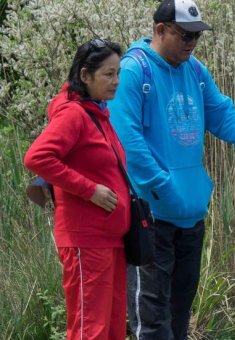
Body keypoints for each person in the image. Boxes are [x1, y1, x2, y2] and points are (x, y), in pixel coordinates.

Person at [108, 0, 235, 339]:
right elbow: (127, 142)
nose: (192, 43)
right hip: (151, 213)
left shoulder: (195, 70)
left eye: (197, 36)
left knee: (180, 312)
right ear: (160, 31)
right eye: (185, 35)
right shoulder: (134, 71)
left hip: (191, 213)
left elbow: (220, 111)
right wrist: (163, 187)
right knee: (151, 316)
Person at [24, 38, 130, 340]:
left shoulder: (98, 113)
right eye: (108, 74)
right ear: (85, 75)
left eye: (118, 73)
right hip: (86, 239)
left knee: (111, 330)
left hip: (111, 239)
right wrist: (89, 190)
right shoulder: (74, 114)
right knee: (89, 331)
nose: (116, 81)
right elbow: (37, 157)